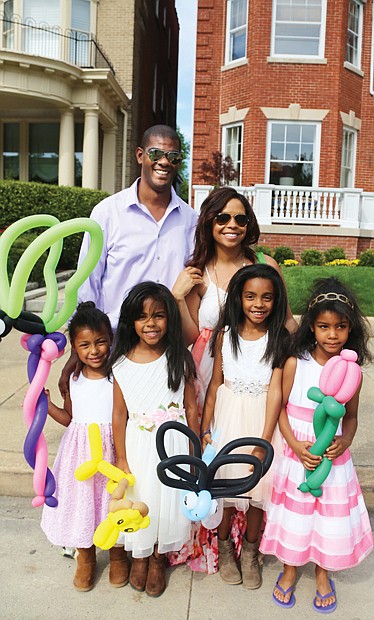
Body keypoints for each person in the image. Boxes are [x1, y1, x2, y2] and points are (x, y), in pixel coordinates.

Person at [260, 277, 373, 612]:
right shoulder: (296, 362)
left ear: (350, 329)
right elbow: (281, 407)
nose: (332, 335)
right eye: (324, 327)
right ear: (311, 327)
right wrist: (294, 445)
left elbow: (350, 416)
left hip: (332, 458)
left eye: (340, 327)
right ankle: (290, 568)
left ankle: (323, 573)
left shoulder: (353, 372)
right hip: (299, 453)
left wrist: (345, 440)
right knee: (296, 515)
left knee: (327, 517)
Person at [59, 124, 197, 396]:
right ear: (139, 155)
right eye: (156, 153)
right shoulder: (107, 213)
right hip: (114, 344)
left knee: (158, 428)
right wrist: (79, 345)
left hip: (166, 347)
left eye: (173, 157)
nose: (164, 162)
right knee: (110, 430)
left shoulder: (191, 220)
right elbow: (88, 281)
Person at [199, 264, 289, 587]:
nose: (258, 304)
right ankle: (224, 547)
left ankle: (251, 550)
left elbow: (276, 391)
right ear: (239, 297)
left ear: (276, 300)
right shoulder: (225, 335)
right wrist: (205, 428)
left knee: (255, 491)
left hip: (261, 422)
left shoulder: (279, 339)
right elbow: (214, 385)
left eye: (267, 297)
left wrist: (264, 441)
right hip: (227, 416)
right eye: (250, 296)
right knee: (223, 489)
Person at [172, 186, 296, 420]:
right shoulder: (198, 273)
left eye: (240, 219)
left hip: (258, 365)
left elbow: (287, 319)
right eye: (222, 218)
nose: (232, 225)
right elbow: (190, 336)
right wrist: (177, 297)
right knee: (213, 434)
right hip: (209, 367)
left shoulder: (265, 265)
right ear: (210, 222)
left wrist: (306, 359)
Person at [109, 282, 199, 597]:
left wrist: (193, 454)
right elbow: (119, 414)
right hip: (138, 446)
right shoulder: (120, 363)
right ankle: (140, 556)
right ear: (130, 321)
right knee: (142, 498)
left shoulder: (180, 358)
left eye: (159, 316)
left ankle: (159, 557)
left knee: (167, 502)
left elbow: (190, 408)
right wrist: (120, 457)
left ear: (169, 319)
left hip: (173, 446)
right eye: (143, 317)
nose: (151, 324)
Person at [41, 302, 129, 592]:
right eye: (85, 345)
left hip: (112, 451)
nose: (94, 351)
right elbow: (69, 419)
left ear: (111, 340)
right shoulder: (74, 380)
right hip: (79, 456)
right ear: (75, 349)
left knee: (111, 505)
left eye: (101, 342)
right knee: (83, 506)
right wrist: (47, 404)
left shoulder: (119, 376)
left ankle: (117, 556)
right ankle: (86, 558)